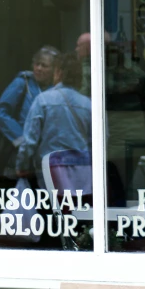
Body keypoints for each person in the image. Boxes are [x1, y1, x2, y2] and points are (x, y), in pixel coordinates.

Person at [16, 52, 92, 187]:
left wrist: (22, 165)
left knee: (52, 207)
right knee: (79, 207)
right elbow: (100, 140)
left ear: (58, 73)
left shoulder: (43, 101)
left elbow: (29, 141)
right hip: (82, 173)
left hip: (51, 172)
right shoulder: (88, 105)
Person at [0, 45, 60, 176]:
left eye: (44, 66)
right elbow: (0, 113)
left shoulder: (58, 89)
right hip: (22, 153)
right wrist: (21, 140)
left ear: (54, 70)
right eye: (37, 64)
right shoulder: (23, 82)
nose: (39, 68)